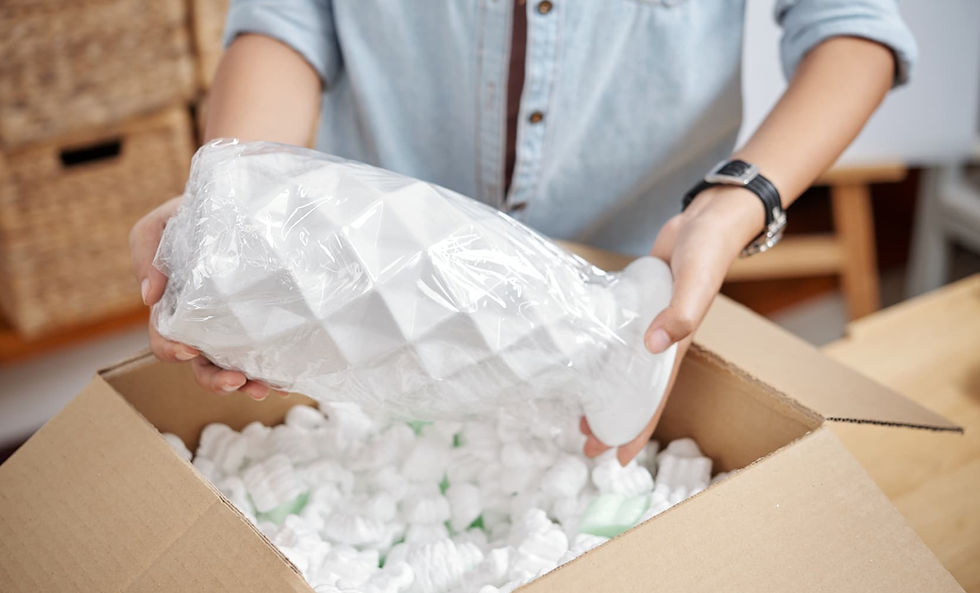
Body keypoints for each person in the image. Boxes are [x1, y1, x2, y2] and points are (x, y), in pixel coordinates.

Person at [130, 0, 914, 464]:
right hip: (361, 300)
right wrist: (242, 216)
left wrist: (732, 203)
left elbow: (854, 27)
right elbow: (286, 22)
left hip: (628, 303)